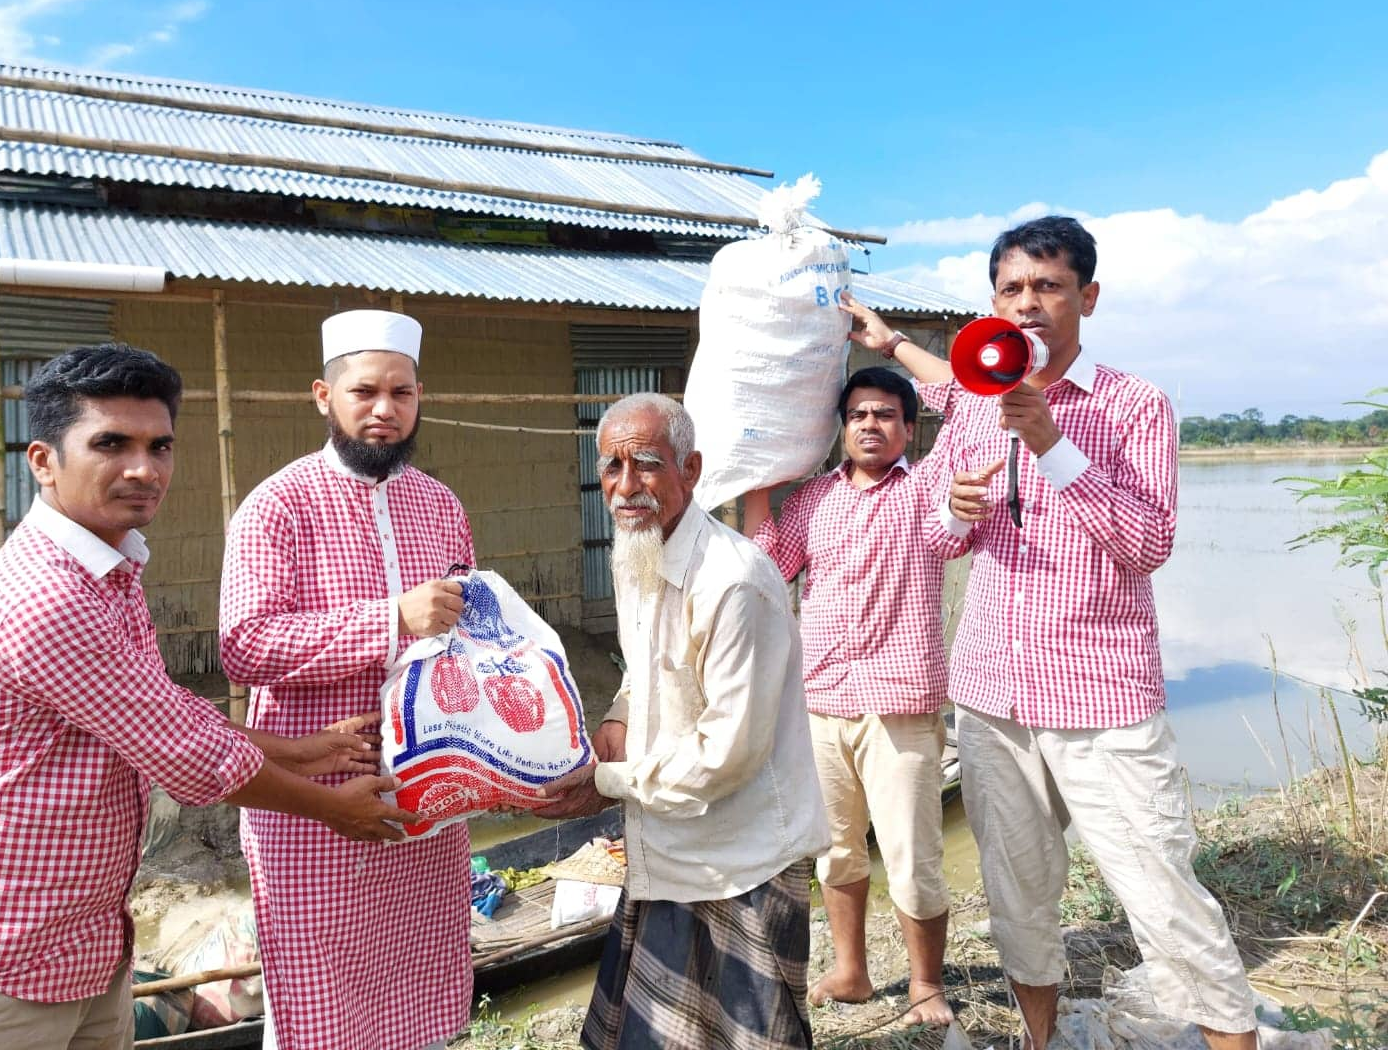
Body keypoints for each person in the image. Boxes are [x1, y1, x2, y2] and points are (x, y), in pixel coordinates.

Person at [0, 343, 413, 1050]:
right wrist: (332, 806)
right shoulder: (48, 596)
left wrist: (304, 748)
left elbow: (161, 714)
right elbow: (190, 757)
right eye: (111, 444)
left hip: (86, 954)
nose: (143, 468)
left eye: (159, 446)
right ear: (42, 460)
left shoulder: (110, 567)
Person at [925, 216, 1258, 1050]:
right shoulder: (971, 399)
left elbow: (1146, 545)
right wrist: (951, 510)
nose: (1028, 303)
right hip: (993, 696)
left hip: (1100, 695)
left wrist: (1050, 441)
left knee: (1163, 894)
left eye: (1048, 286)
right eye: (1011, 288)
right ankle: (1041, 1042)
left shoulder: (1134, 404)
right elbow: (933, 532)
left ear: (1088, 297)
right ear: (992, 301)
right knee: (1018, 891)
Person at [538, 392, 830, 1050]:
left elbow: (728, 752)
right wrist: (615, 721)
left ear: (690, 470)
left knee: (753, 1037)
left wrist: (606, 782)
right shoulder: (635, 549)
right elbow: (643, 670)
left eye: (645, 463)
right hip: (667, 841)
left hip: (745, 855)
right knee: (651, 1033)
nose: (625, 485)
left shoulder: (734, 581)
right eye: (610, 467)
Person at [219, 310, 475, 1050]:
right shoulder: (277, 506)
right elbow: (244, 645)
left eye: (401, 392)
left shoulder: (442, 505)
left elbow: (463, 638)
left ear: (420, 396)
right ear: (323, 396)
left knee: (425, 992)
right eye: (364, 391)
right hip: (315, 800)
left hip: (426, 792)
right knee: (323, 1007)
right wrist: (390, 619)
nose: (384, 410)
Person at [742, 317, 962, 1025]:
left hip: (900, 704)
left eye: (886, 416)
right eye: (859, 415)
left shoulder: (931, 490)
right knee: (835, 853)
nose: (871, 425)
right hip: (822, 702)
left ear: (908, 429)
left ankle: (926, 984)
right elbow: (769, 575)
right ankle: (852, 972)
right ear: (842, 427)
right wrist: (756, 489)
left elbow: (965, 396)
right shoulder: (812, 499)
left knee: (913, 857)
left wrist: (891, 342)